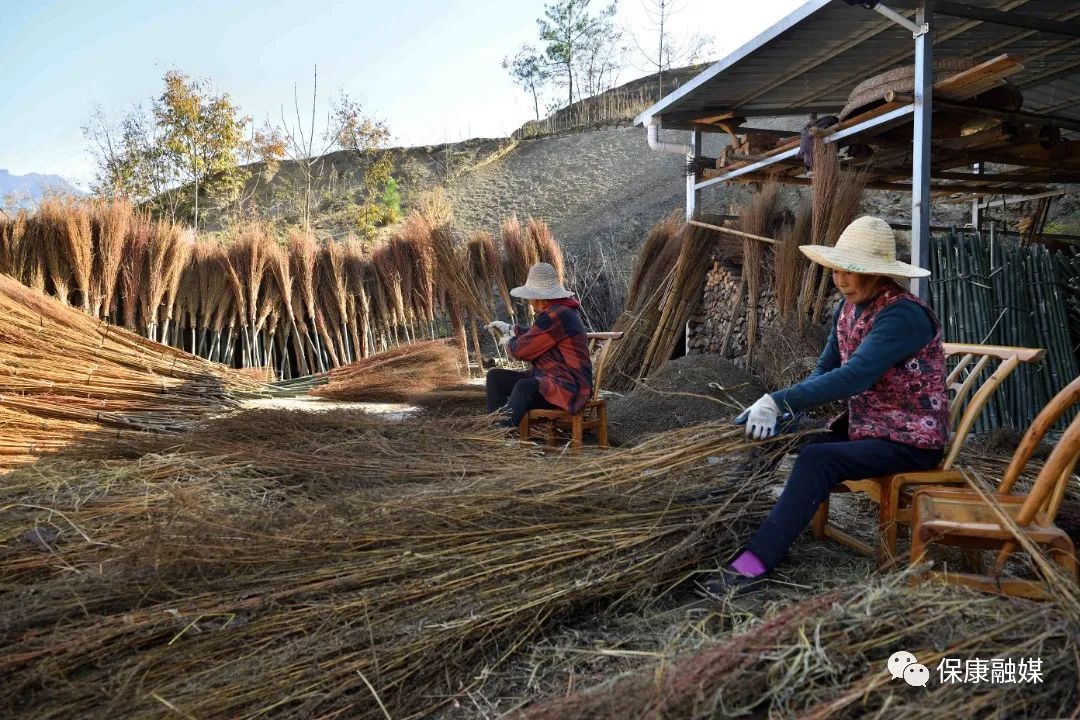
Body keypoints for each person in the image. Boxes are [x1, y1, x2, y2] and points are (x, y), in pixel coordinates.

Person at [702, 216, 948, 596]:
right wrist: (786, 413)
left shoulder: (903, 315)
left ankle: (754, 564)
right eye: (836, 268)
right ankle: (723, 523)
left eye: (851, 270)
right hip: (866, 429)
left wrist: (777, 398)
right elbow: (825, 369)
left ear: (879, 274)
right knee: (773, 435)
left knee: (817, 459)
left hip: (908, 440)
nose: (840, 278)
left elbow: (856, 377)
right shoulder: (847, 310)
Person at [485, 262, 592, 428]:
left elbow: (522, 350)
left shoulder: (556, 315)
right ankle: (496, 426)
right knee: (495, 377)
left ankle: (501, 432)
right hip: (550, 379)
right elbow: (536, 334)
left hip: (568, 387)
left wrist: (509, 342)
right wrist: (510, 329)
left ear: (540, 297)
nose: (530, 303)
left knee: (525, 387)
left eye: (530, 298)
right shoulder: (559, 311)